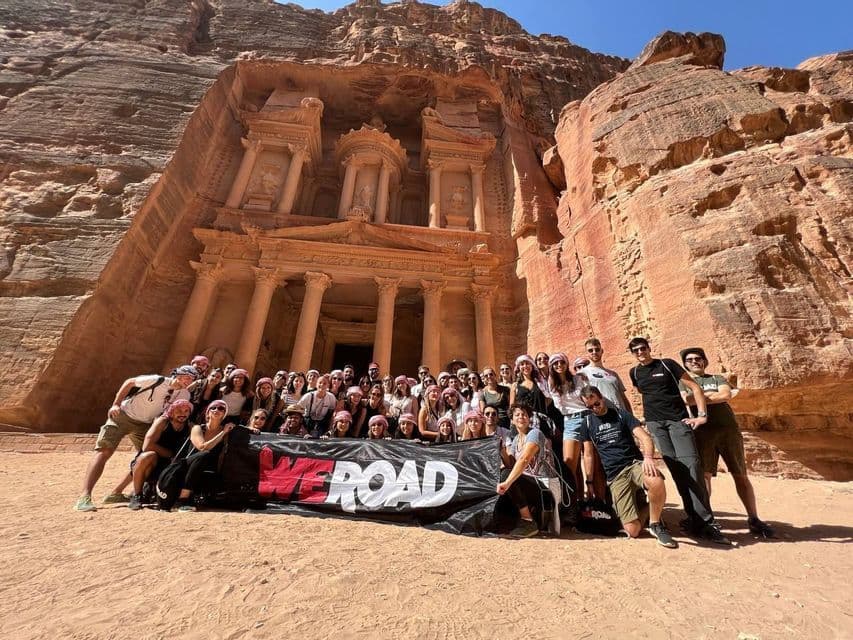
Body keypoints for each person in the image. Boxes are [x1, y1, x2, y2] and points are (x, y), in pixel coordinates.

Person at [627, 337, 730, 544]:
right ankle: (693, 520)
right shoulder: (635, 372)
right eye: (635, 350)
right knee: (677, 471)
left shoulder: (667, 364)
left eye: (643, 348)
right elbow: (643, 392)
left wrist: (702, 415)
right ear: (632, 353)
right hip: (656, 425)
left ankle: (706, 523)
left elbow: (694, 387)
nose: (640, 352)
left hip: (677, 421)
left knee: (692, 467)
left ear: (649, 348)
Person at [679, 347, 774, 538]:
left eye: (698, 358)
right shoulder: (685, 383)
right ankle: (707, 519)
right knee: (704, 476)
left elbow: (725, 395)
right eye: (689, 360)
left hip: (729, 431)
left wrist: (701, 398)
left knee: (740, 474)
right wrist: (709, 397)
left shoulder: (717, 378)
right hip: (703, 433)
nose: (694, 362)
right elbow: (687, 400)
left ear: (705, 361)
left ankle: (753, 518)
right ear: (685, 365)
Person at [73, 365, 197, 511]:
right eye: (186, 377)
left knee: (144, 457)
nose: (188, 381)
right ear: (177, 374)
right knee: (104, 451)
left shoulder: (184, 395)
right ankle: (84, 497)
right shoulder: (157, 380)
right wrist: (115, 405)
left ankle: (116, 493)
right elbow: (129, 383)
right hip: (123, 416)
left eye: (192, 379)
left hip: (145, 425)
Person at [578, 386, 677, 547]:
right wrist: (589, 482)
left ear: (601, 397)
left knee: (656, 480)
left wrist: (648, 458)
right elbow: (588, 454)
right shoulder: (587, 423)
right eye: (589, 407)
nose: (594, 409)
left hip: (633, 464)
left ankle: (655, 524)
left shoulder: (620, 414)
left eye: (596, 404)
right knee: (632, 531)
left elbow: (645, 437)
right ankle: (648, 507)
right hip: (615, 475)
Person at [496, 403, 558, 537]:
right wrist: (500, 450)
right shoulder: (516, 440)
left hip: (544, 487)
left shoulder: (535, 433)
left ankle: (528, 521)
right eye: (517, 415)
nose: (521, 417)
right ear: (512, 420)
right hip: (529, 485)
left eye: (524, 414)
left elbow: (524, 459)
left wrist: (507, 483)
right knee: (502, 474)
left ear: (529, 418)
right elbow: (511, 465)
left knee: (506, 477)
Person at [127, 399, 193, 510]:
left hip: (171, 463)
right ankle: (137, 496)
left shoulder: (190, 426)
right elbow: (147, 446)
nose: (183, 413)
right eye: (179, 410)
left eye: (186, 411)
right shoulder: (163, 422)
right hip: (155, 460)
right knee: (147, 456)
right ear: (171, 411)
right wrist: (171, 455)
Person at [174, 399, 235, 511]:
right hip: (188, 466)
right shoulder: (198, 428)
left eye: (221, 409)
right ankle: (182, 499)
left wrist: (252, 428)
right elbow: (203, 447)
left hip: (209, 470)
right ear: (207, 412)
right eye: (213, 408)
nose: (217, 410)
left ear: (224, 414)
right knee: (204, 455)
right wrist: (223, 433)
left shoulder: (227, 430)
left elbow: (242, 430)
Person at [548, 352, 589, 495]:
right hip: (570, 420)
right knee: (569, 462)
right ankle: (574, 500)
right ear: (552, 367)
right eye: (556, 363)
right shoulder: (552, 383)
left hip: (587, 416)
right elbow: (558, 405)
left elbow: (587, 396)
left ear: (567, 364)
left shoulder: (579, 378)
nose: (559, 365)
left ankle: (595, 498)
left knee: (592, 460)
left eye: (562, 362)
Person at [578, 338, 632, 412]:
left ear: (602, 351)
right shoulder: (582, 374)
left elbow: (623, 397)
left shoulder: (613, 374)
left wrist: (630, 414)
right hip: (604, 414)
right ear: (586, 353)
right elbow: (583, 398)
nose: (594, 352)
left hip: (622, 413)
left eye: (597, 349)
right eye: (590, 350)